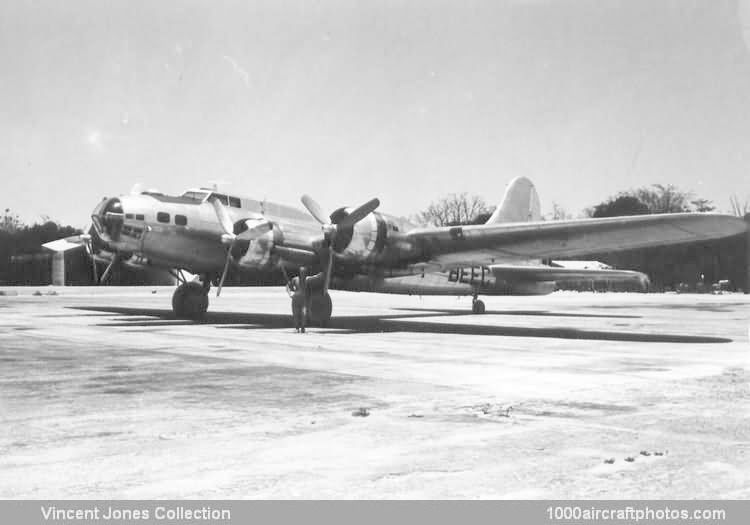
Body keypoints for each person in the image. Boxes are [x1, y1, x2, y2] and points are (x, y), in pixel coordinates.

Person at [290, 267, 308, 333]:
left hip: (304, 300)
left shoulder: (308, 280)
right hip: (296, 299)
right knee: (296, 313)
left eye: (304, 272)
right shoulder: (295, 279)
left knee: (304, 313)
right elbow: (288, 287)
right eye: (302, 272)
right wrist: (290, 294)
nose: (303, 274)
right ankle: (297, 327)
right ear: (300, 273)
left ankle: (303, 327)